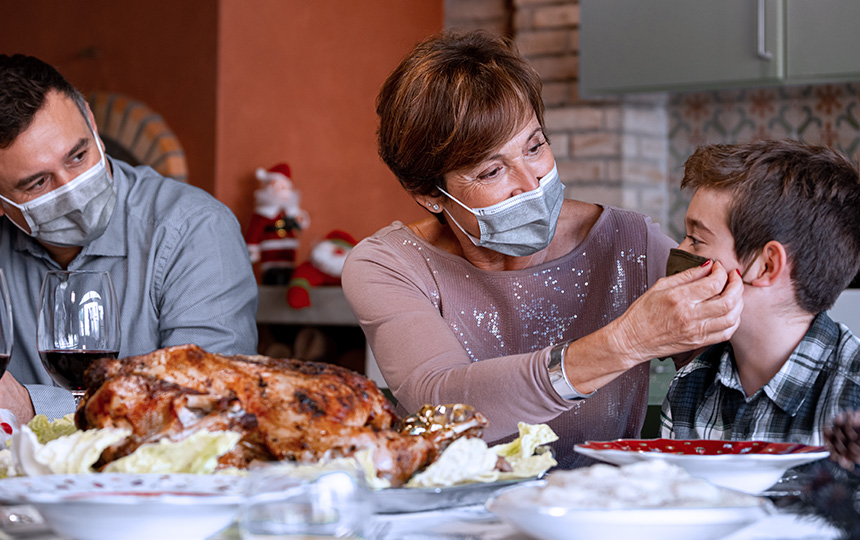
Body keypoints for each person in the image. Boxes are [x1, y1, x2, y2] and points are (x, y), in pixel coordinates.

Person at [341, 30, 744, 468]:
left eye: (535, 146)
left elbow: (741, 349)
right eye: (492, 171)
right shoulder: (389, 265)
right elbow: (443, 406)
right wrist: (627, 341)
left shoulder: (630, 243)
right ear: (429, 194)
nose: (531, 182)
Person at [0, 54, 259, 423]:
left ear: (90, 120)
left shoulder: (196, 228)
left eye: (77, 155)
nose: (72, 192)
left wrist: (33, 406)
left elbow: (206, 402)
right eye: (38, 182)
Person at [660, 139, 860, 444]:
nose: (679, 250)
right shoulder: (689, 386)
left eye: (696, 239)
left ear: (766, 266)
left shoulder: (853, 391)